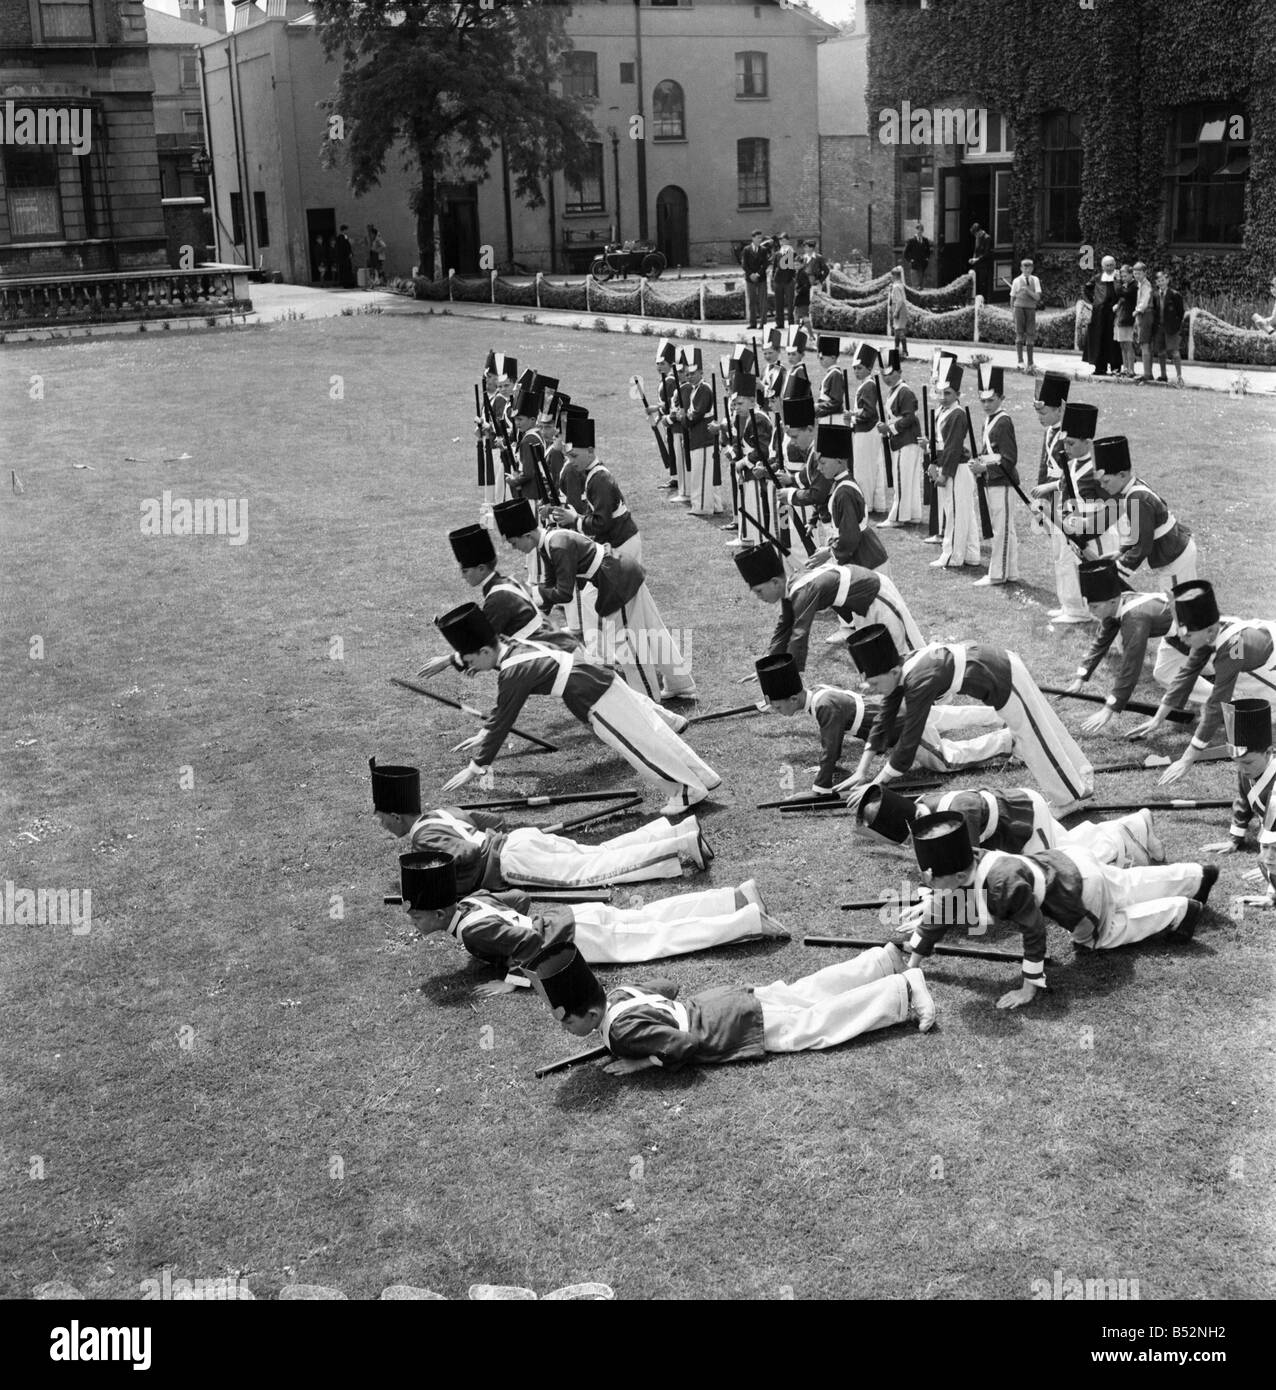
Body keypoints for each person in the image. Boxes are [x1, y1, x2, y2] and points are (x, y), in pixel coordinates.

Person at [897, 812, 1216, 1011]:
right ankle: (1197, 876)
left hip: (1076, 891)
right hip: (1072, 859)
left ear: (954, 877)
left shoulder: (1000, 885)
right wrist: (914, 964)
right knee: (1125, 884)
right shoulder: (965, 863)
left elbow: (1034, 930)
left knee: (1101, 936)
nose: (930, 886)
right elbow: (938, 915)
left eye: (932, 880)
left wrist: (1028, 986)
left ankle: (1179, 912)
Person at [434, 603, 719, 815]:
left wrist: (476, 767)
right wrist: (486, 733)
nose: (471, 668)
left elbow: (504, 718)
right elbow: (503, 709)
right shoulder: (514, 645)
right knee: (654, 732)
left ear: (485, 652)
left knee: (638, 746)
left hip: (591, 695)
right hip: (599, 676)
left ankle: (684, 790)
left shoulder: (511, 673)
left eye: (470, 661)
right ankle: (702, 775)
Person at [395, 852, 787, 1000]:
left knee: (660, 938)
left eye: (417, 914)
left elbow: (527, 943)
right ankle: (733, 897)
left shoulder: (468, 931)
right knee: (650, 917)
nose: (413, 920)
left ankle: (748, 921)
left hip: (578, 937)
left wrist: (511, 980)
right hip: (575, 917)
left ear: (440, 914)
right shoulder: (472, 900)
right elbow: (518, 900)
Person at [534, 938, 937, 1075]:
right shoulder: (620, 993)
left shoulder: (621, 1035)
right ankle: (880, 962)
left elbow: (683, 1045)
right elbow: (667, 985)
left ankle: (902, 989)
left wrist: (643, 1061)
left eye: (566, 1023)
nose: (565, 1031)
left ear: (588, 1016)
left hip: (732, 1025)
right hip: (724, 997)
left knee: (813, 1025)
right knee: (804, 991)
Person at [844, 623, 1094, 810]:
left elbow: (908, 743)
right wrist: (861, 771)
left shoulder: (917, 681)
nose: (872, 690)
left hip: (1002, 676)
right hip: (999, 669)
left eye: (875, 683)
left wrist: (877, 783)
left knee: (1033, 736)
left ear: (894, 670)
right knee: (1042, 726)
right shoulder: (903, 669)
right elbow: (883, 719)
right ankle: (1080, 774)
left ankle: (1068, 799)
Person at [372, 759, 712, 890]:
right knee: (596, 852)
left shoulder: (424, 836)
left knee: (595, 872)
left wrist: (435, 879)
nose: (383, 824)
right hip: (519, 840)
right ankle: (675, 831)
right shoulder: (444, 811)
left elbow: (465, 852)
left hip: (509, 861)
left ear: (397, 815)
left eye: (382, 817)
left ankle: (680, 845)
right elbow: (493, 820)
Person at [493, 499, 696, 703]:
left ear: (527, 535)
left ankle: (650, 704)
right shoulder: (548, 542)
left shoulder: (556, 545)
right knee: (653, 630)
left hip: (617, 582)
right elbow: (549, 584)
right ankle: (680, 683)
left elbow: (564, 593)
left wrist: (533, 593)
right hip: (622, 572)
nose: (514, 548)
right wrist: (530, 613)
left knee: (629, 645)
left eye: (513, 542)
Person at [1133, 582, 1276, 786]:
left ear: (1209, 631)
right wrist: (1158, 719)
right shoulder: (1209, 635)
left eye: (1187, 634)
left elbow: (1217, 705)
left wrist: (1187, 758)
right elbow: (1186, 674)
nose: (1181, 637)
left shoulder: (1233, 648)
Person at [852, 781, 1165, 869]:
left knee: (1063, 866)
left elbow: (969, 868)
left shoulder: (954, 819)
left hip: (1024, 819)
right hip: (1012, 813)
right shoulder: (919, 810)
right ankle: (1136, 822)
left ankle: (1120, 842)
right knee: (1068, 843)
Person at [735, 542, 922, 675]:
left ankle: (934, 696)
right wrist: (771, 666)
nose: (759, 597)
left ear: (775, 582)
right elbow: (785, 627)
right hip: (859, 606)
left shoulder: (802, 590)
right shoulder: (791, 588)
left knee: (907, 652)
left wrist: (788, 678)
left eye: (759, 591)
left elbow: (799, 633)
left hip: (878, 595)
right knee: (878, 660)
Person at [1065, 559, 1203, 734]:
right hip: (1176, 636)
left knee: (1203, 671)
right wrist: (1081, 677)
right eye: (1089, 606)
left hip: (1199, 634)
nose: (1091, 612)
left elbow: (1131, 665)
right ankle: (1209, 697)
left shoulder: (1134, 619)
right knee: (1165, 673)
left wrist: (1110, 708)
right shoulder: (1117, 607)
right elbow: (1100, 642)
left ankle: (1222, 699)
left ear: (1113, 601)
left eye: (1095, 606)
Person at [1088, 435, 1198, 592]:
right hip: (1176, 551)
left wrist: (1119, 567)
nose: (1103, 486)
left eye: (1106, 481)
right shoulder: (1134, 488)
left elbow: (1143, 544)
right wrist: (1120, 552)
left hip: (1175, 556)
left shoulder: (1137, 498)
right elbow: (1141, 531)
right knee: (1182, 603)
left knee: (1178, 605)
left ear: (1122, 475)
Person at [1205, 701, 1276, 906]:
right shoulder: (1246, 771)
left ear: (1269, 752)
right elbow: (1244, 802)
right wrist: (1235, 839)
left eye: (1247, 762)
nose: (1241, 768)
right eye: (1236, 762)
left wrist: (1271, 863)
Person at [801, 423, 890, 571]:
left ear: (839, 461)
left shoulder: (844, 492)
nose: (819, 468)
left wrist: (829, 552)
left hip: (868, 561)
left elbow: (849, 537)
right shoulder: (840, 483)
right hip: (863, 557)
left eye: (823, 463)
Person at [929, 358, 981, 570]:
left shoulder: (957, 415)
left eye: (948, 393)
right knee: (963, 512)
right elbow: (940, 443)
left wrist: (944, 473)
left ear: (958, 394)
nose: (943, 397)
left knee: (955, 513)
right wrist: (933, 461)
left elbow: (952, 447)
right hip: (948, 465)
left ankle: (951, 555)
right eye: (940, 392)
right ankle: (971, 553)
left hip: (956, 469)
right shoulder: (942, 411)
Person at [971, 365, 1019, 587]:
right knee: (1003, 528)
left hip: (1003, 482)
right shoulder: (989, 420)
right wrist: (980, 462)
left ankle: (997, 574)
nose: (986, 405)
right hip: (993, 481)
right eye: (983, 400)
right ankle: (1010, 572)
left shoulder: (1003, 421)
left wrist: (985, 469)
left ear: (1002, 398)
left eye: (991, 400)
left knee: (1001, 530)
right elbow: (992, 453)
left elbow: (1008, 459)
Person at [672, 346, 721, 517]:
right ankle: (715, 504)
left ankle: (701, 506)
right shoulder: (694, 389)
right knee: (705, 474)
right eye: (687, 373)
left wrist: (682, 417)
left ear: (701, 372)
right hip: (699, 437)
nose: (689, 376)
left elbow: (694, 417)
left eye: (693, 373)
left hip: (704, 437)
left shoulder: (704, 389)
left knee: (700, 474)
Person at [877, 350, 924, 527]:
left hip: (906, 439)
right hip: (905, 439)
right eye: (884, 374)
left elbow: (909, 417)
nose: (887, 378)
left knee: (901, 479)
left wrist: (889, 428)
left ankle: (897, 517)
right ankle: (912, 514)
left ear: (899, 372)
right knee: (907, 479)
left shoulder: (904, 392)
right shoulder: (895, 390)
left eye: (890, 373)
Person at [848, 342, 889, 515]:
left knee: (864, 469)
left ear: (869, 368)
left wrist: (852, 415)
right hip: (865, 431)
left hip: (866, 431)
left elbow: (869, 412)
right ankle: (873, 502)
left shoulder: (869, 386)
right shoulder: (866, 385)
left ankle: (866, 503)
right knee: (870, 468)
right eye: (855, 368)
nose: (857, 371)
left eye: (860, 368)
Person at [1082, 255, 1121, 376]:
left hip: (1115, 311)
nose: (1109, 268)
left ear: (1115, 265)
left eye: (1111, 265)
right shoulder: (1098, 277)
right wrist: (1093, 302)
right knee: (1099, 338)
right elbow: (1086, 288)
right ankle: (1100, 367)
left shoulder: (1120, 276)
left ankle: (1116, 367)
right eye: (1107, 265)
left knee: (1115, 339)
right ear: (1103, 266)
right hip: (1099, 313)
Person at [1153, 269, 1187, 387]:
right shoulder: (1155, 294)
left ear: (1167, 280)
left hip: (1171, 327)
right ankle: (1163, 375)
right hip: (1159, 327)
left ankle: (1179, 376)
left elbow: (1180, 312)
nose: (1161, 282)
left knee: (1174, 351)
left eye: (1163, 280)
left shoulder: (1174, 294)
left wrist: (1176, 326)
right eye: (1159, 281)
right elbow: (1154, 311)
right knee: (1161, 351)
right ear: (1156, 283)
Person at [1009, 258, 1043, 372]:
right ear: (1021, 268)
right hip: (1019, 308)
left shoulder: (1035, 280)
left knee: (1030, 334)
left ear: (1032, 269)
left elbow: (1037, 297)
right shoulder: (1016, 281)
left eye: (1029, 268)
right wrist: (1012, 312)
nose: (1027, 270)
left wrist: (1028, 291)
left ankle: (1030, 363)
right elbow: (1012, 297)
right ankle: (1020, 361)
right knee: (1019, 334)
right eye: (1025, 267)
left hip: (1031, 309)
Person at [741, 229, 770, 330]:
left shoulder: (764, 250)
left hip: (761, 278)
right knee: (751, 301)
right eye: (758, 238)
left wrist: (757, 274)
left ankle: (763, 323)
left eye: (761, 238)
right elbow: (744, 264)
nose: (760, 240)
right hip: (750, 279)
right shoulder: (746, 250)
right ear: (753, 238)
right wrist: (751, 274)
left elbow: (766, 264)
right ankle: (752, 323)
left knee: (763, 301)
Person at [1132, 262, 1155, 383]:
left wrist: (1136, 311)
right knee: (1144, 344)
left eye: (1139, 273)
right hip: (1143, 315)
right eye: (1135, 273)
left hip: (1145, 315)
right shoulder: (1140, 284)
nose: (1136, 275)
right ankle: (1148, 372)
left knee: (1145, 343)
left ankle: (1147, 374)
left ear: (1145, 273)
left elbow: (1144, 302)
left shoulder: (1146, 285)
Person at [1113, 263, 1137, 378]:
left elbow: (1121, 293)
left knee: (1128, 345)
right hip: (1120, 318)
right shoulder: (1126, 285)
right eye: (1121, 276)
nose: (1123, 278)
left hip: (1127, 319)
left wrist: (1117, 281)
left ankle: (1131, 370)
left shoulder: (1134, 285)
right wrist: (1117, 305)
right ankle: (1125, 368)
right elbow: (1122, 298)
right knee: (1122, 345)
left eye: (1125, 276)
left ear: (1131, 274)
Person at [771, 232, 799, 331]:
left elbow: (795, 267)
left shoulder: (792, 253)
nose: (782, 242)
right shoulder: (777, 253)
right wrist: (772, 281)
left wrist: (794, 279)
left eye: (784, 240)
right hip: (778, 281)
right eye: (780, 240)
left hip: (789, 281)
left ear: (788, 241)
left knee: (790, 303)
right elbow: (774, 268)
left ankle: (792, 323)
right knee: (778, 303)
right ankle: (779, 323)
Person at [887, 266, 909, 361]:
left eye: (892, 276)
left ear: (895, 276)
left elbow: (899, 300)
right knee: (897, 330)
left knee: (899, 331)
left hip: (899, 308)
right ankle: (897, 350)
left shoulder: (896, 287)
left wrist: (895, 311)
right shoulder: (899, 285)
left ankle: (903, 351)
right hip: (901, 308)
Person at [903, 222, 932, 289]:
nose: (919, 231)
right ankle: (915, 293)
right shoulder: (911, 241)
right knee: (915, 282)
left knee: (921, 282)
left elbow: (928, 251)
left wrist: (927, 258)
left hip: (922, 263)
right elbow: (906, 252)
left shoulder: (925, 240)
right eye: (918, 229)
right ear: (916, 230)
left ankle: (920, 293)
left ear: (923, 231)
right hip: (914, 264)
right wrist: (910, 260)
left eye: (921, 230)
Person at [968, 222, 992, 300]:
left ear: (979, 231)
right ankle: (976, 300)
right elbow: (976, 251)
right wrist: (973, 259)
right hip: (977, 265)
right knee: (976, 283)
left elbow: (987, 254)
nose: (975, 236)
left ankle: (984, 301)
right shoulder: (977, 238)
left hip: (984, 265)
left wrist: (976, 259)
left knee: (982, 284)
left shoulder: (986, 238)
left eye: (976, 234)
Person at [335, 223, 357, 288]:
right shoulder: (341, 237)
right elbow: (344, 248)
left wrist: (350, 253)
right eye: (346, 230)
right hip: (344, 258)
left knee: (348, 270)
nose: (347, 231)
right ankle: (347, 284)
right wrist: (348, 253)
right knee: (345, 271)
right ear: (343, 230)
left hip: (346, 257)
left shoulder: (345, 237)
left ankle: (349, 283)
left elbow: (348, 246)